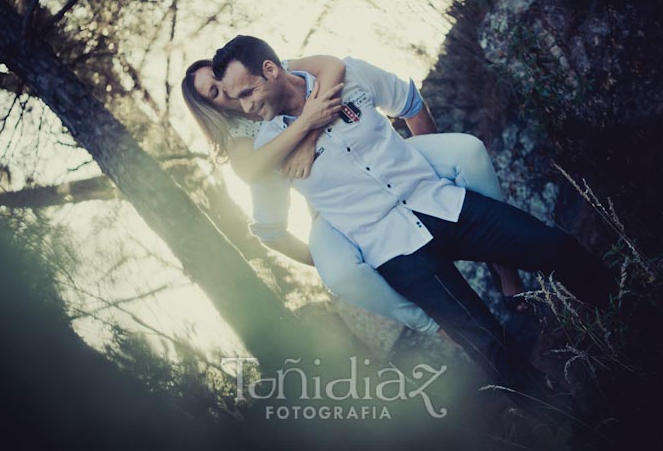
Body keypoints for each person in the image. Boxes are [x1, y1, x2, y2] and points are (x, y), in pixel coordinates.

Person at [212, 35, 617, 412]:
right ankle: (572, 421)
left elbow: (407, 101)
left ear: (270, 69)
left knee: (557, 248)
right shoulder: (267, 153)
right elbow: (268, 227)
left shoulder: (346, 74)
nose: (245, 107)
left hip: (439, 203)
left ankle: (629, 312)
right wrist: (323, 259)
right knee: (488, 346)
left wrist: (431, 161)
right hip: (394, 250)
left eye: (247, 92)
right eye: (237, 99)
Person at [181, 49, 529, 337]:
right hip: (332, 204)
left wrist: (420, 175)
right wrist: (317, 255)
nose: (225, 91)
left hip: (380, 163)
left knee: (468, 154)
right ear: (210, 108)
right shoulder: (238, 140)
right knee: (340, 273)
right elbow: (253, 179)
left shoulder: (264, 72)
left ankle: (505, 267)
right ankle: (436, 328)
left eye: (218, 77)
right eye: (214, 93)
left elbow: (332, 65)